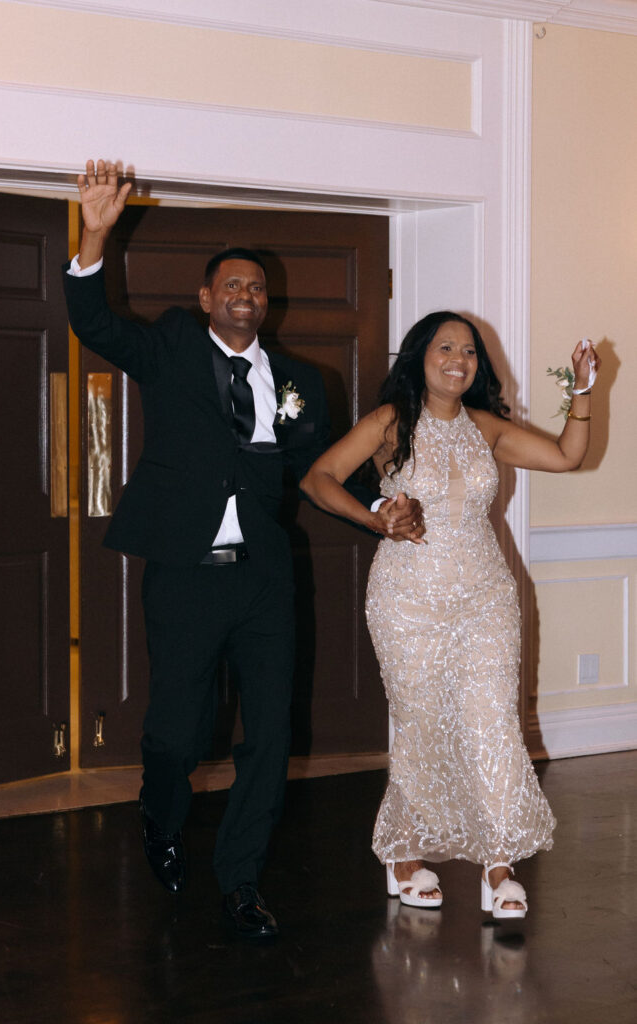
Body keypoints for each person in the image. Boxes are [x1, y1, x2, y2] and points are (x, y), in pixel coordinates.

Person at [63, 159, 425, 941]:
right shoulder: (171, 347)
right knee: (179, 732)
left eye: (256, 288)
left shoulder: (299, 379)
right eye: (230, 285)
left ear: (267, 303)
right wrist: (95, 235)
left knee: (268, 734)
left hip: (264, 580)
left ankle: (240, 883)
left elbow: (322, 469)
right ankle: (160, 816)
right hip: (185, 576)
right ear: (205, 299)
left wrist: (377, 508)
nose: (244, 295)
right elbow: (93, 324)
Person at [302, 310, 600, 919]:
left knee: (494, 725)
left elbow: (569, 455)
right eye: (445, 347)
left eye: (469, 351)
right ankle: (405, 854)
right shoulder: (391, 422)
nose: (458, 359)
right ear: (420, 357)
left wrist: (583, 390)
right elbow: (319, 478)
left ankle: (498, 864)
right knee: (425, 724)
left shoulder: (486, 427)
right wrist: (376, 516)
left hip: (487, 596)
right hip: (407, 598)